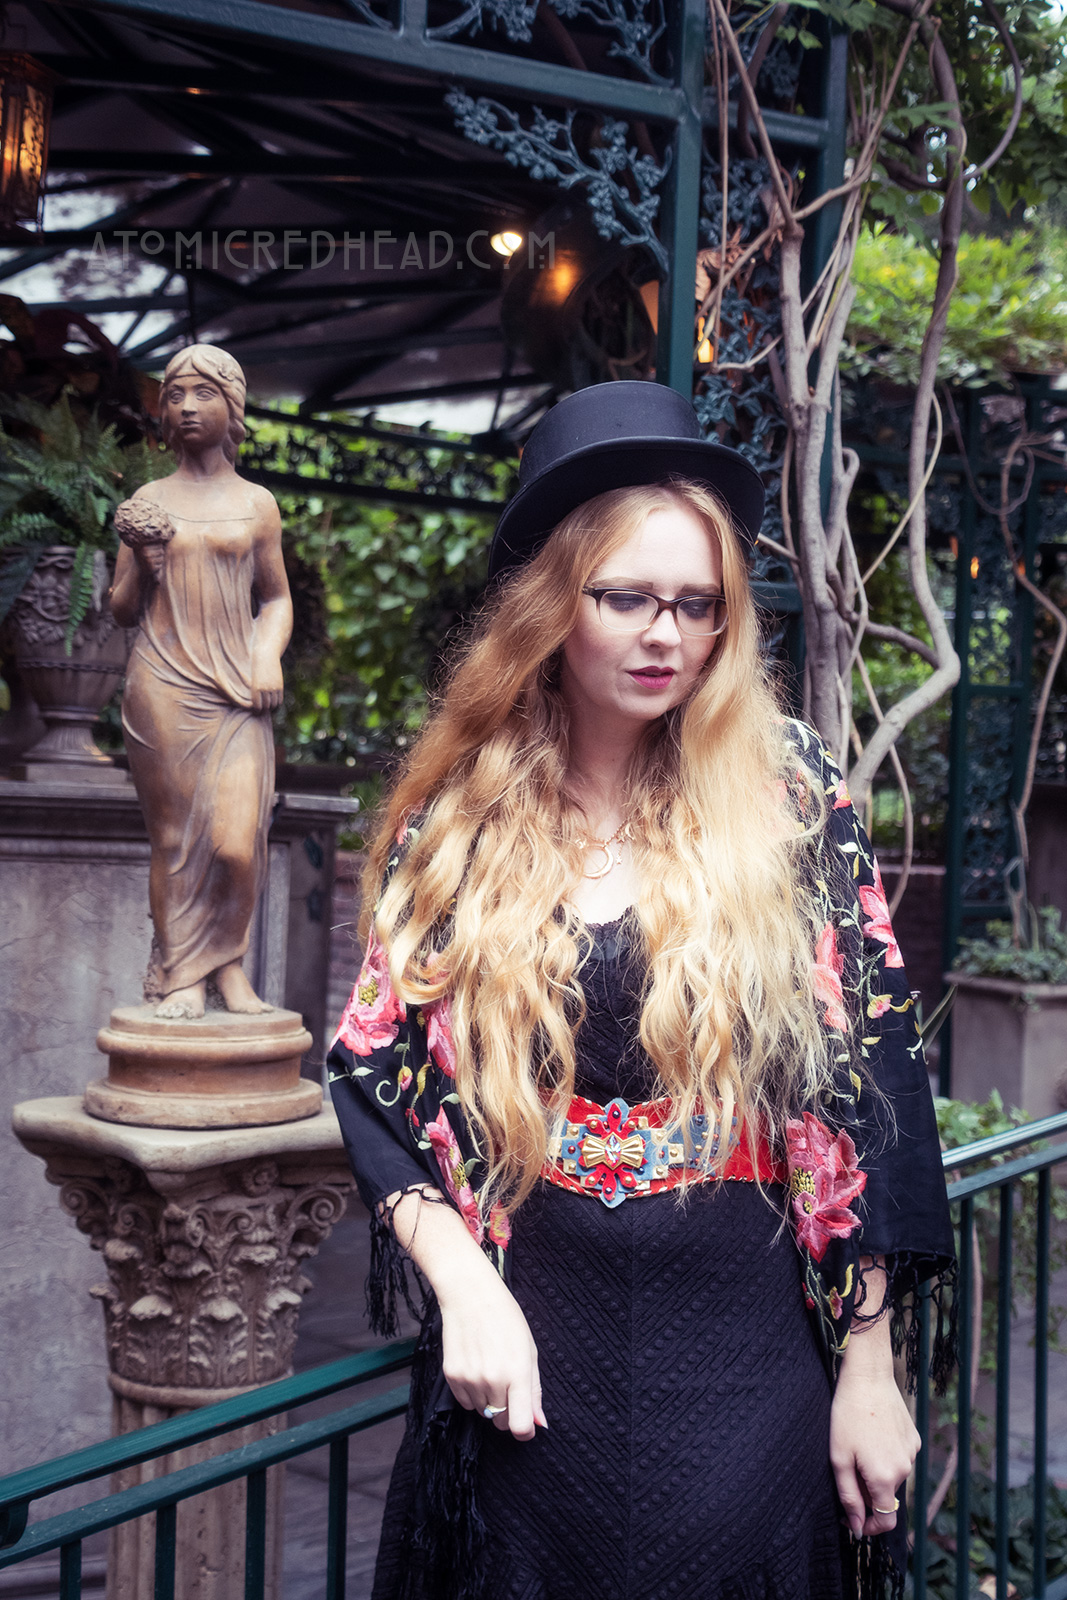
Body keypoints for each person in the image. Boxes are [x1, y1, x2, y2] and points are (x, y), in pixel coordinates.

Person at [328, 382, 956, 1600]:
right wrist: (462, 1283)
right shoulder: (460, 812)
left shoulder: (781, 791)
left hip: (742, 1349)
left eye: (696, 606)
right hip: (522, 1348)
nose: (664, 634)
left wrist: (869, 1366)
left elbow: (869, 1071)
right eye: (625, 598)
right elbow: (369, 1065)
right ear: (555, 605)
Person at [110, 344, 292, 1018]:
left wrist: (265, 652)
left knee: (236, 843)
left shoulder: (257, 504)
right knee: (172, 841)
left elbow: (275, 598)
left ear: (231, 405)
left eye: (203, 393)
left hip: (235, 691)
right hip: (162, 683)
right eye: (176, 394)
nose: (187, 406)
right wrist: (140, 559)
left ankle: (229, 965)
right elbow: (121, 609)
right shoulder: (147, 501)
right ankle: (182, 972)